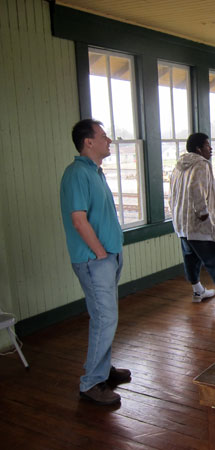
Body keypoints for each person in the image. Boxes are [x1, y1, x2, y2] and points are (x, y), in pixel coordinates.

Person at [60, 119, 131, 406]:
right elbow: (79, 220)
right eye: (104, 136)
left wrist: (109, 253)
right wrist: (100, 253)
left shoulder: (95, 172)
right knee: (105, 318)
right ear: (88, 142)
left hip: (108, 257)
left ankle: (104, 370)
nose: (109, 140)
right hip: (94, 260)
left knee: (105, 316)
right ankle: (91, 383)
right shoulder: (77, 173)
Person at [169, 133, 215, 310]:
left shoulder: (178, 166)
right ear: (198, 148)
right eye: (207, 145)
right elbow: (197, 188)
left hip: (181, 223)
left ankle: (198, 291)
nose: (211, 149)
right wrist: (203, 213)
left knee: (190, 257)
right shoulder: (201, 164)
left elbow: (172, 193)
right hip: (199, 223)